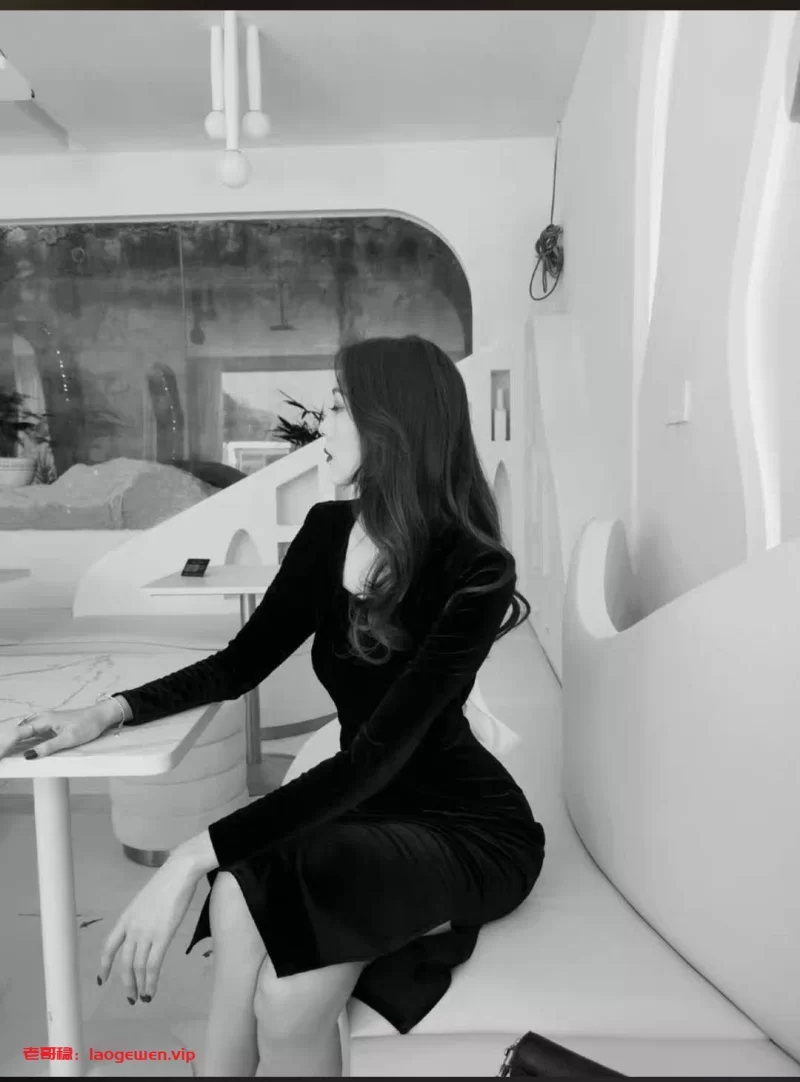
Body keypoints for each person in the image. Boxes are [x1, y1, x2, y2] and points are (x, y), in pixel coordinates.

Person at [0, 336, 546, 1078]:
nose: (323, 428)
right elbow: (238, 664)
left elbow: (371, 758)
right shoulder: (327, 532)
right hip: (364, 808)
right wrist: (108, 711)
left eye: (339, 408)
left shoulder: (475, 568)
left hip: (462, 826)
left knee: (265, 955)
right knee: (247, 921)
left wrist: (188, 857)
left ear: (395, 422)